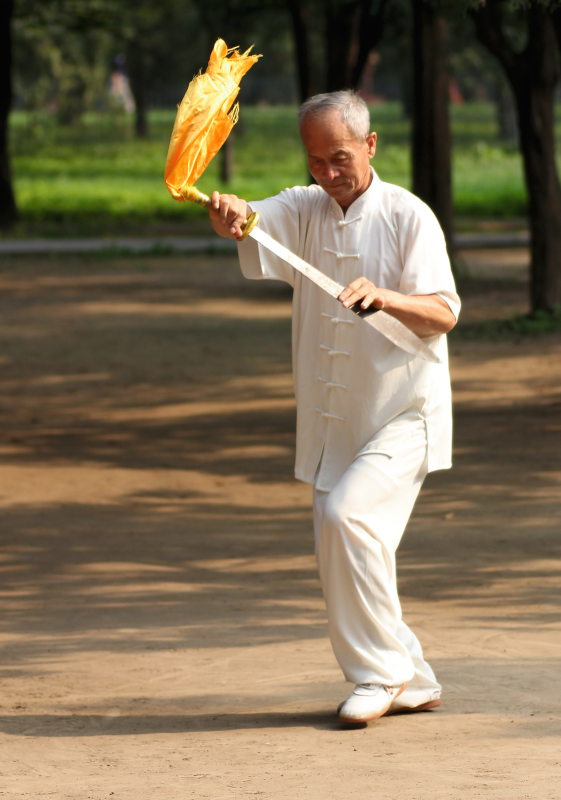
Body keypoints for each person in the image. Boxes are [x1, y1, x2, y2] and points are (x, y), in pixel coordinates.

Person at [207, 90, 460, 723]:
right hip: (332, 421)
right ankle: (414, 677)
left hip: (405, 414)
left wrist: (388, 297)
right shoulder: (303, 207)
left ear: (371, 144)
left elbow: (444, 313)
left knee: (350, 518)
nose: (327, 173)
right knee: (343, 546)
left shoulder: (409, 216)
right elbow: (251, 218)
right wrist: (231, 211)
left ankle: (379, 676)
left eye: (339, 157)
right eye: (315, 160)